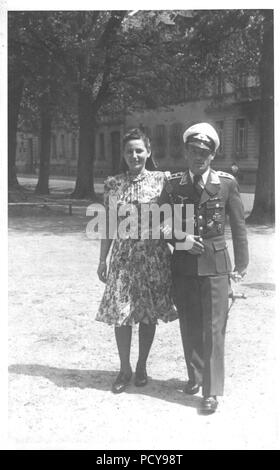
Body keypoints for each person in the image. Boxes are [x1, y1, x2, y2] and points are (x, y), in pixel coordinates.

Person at [158, 122, 249, 414]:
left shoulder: (226, 184)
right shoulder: (173, 185)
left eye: (205, 152)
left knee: (213, 329)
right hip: (184, 264)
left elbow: (238, 226)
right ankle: (195, 376)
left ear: (213, 156)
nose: (199, 156)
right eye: (194, 150)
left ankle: (210, 391)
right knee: (190, 324)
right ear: (186, 151)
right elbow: (159, 224)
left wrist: (241, 265)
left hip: (216, 265)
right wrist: (181, 239)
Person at [96, 128, 177, 394]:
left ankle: (141, 365)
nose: (134, 155)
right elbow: (107, 224)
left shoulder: (161, 180)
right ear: (123, 154)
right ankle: (124, 368)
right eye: (129, 151)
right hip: (123, 259)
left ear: (148, 152)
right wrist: (102, 260)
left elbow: (175, 217)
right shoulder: (113, 184)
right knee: (121, 315)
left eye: (139, 150)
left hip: (153, 257)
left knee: (147, 314)